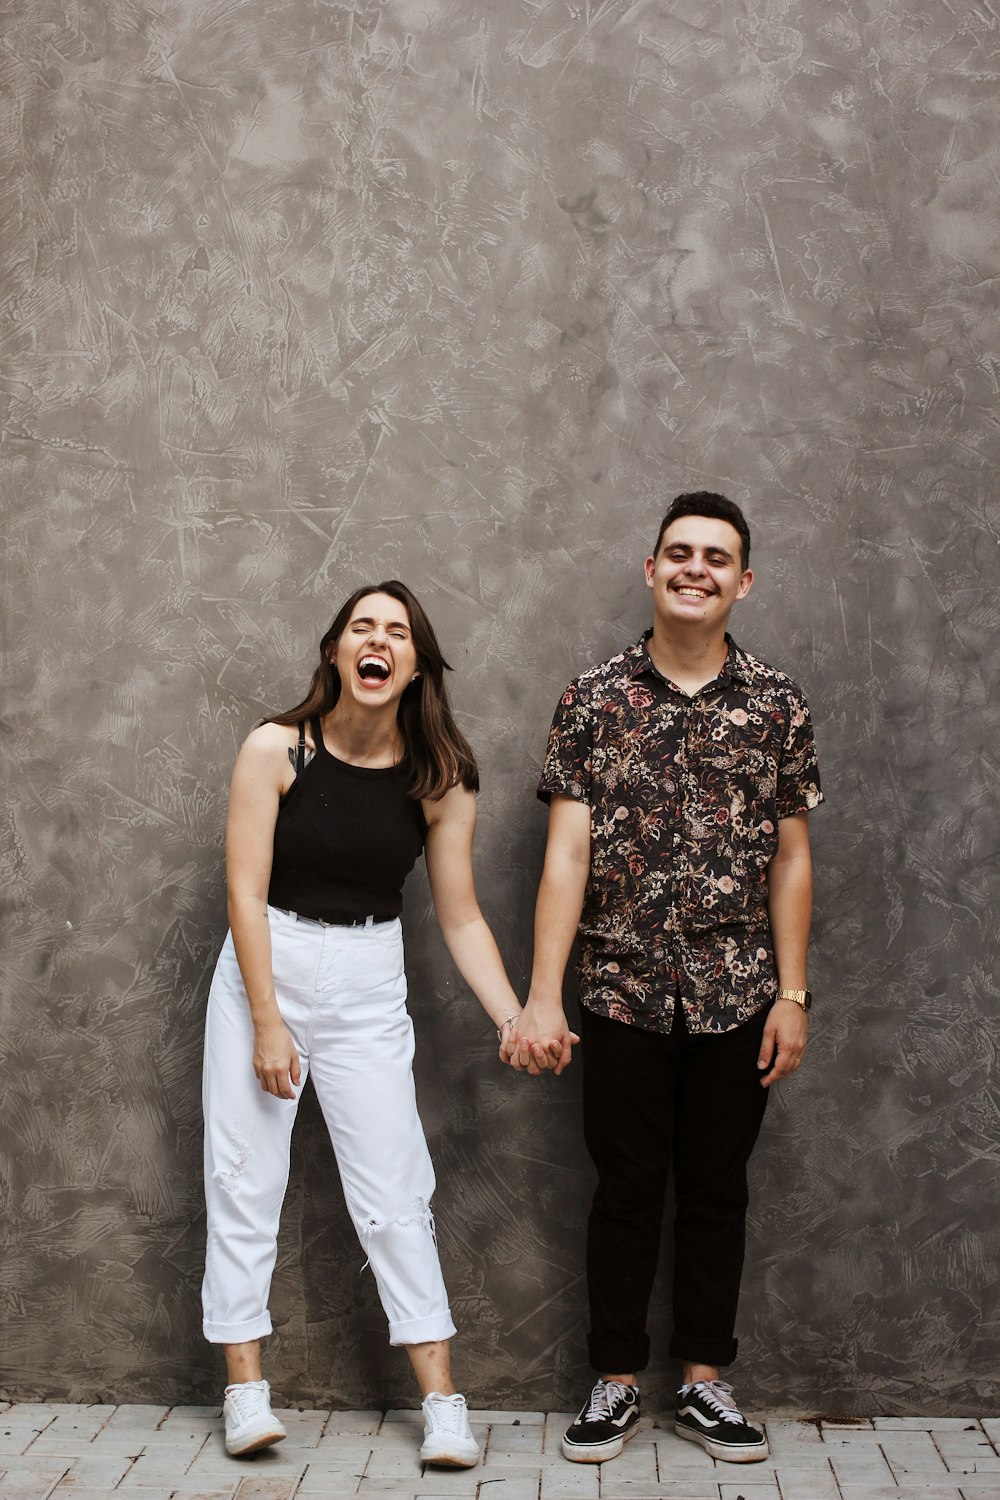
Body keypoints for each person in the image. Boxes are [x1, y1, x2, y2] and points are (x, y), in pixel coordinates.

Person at [507, 493, 823, 1464]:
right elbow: (565, 857)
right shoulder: (594, 698)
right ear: (650, 571)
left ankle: (702, 1383)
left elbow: (790, 859)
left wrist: (792, 993)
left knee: (718, 1189)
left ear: (742, 581)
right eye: (678, 553)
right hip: (622, 992)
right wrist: (543, 993)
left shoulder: (776, 704)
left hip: (736, 994)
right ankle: (611, 1381)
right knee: (626, 1187)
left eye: (715, 557)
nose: (695, 569)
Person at [201, 580, 530, 1468]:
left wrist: (512, 1015)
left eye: (397, 631)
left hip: (366, 978)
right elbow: (242, 891)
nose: (378, 640)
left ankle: (443, 1406)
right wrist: (268, 1021)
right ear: (338, 652)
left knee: (394, 1196)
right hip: (263, 964)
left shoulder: (441, 775)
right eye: (362, 627)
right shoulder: (275, 749)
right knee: (243, 1180)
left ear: (415, 662)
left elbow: (459, 917)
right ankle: (244, 1390)